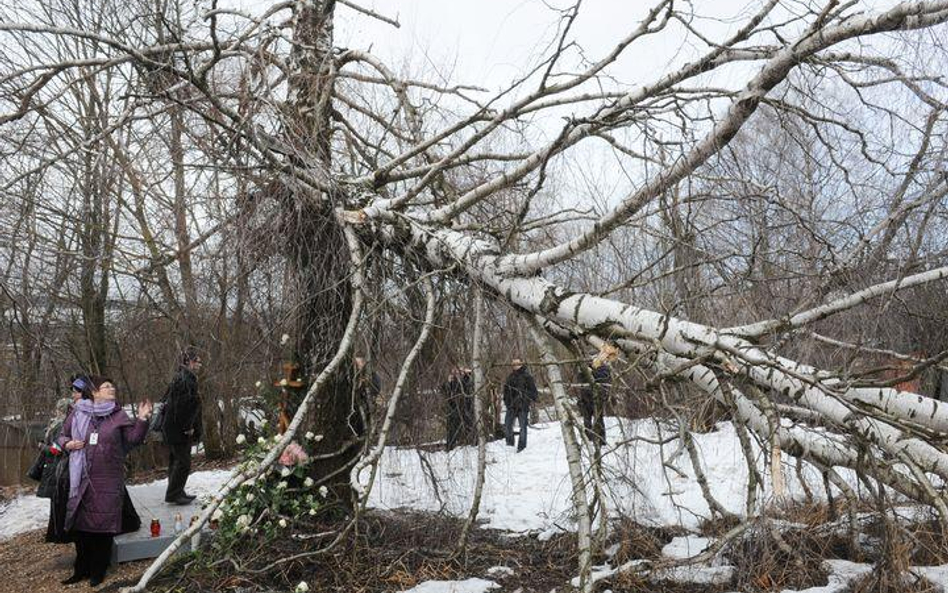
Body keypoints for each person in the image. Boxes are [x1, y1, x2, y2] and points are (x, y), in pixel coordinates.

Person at [58, 376, 152, 587]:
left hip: (107, 479)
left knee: (102, 527)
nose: (112, 388)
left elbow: (133, 439)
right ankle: (80, 570)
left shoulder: (118, 415)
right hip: (80, 478)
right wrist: (69, 444)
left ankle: (98, 571)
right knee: (80, 528)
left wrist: (143, 419)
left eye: (113, 385)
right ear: (94, 392)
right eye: (106, 386)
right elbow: (61, 437)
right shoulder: (77, 412)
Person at [161, 348, 203, 505]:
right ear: (190, 362)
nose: (200, 365)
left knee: (176, 461)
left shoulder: (181, 377)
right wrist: (188, 427)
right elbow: (183, 407)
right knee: (183, 462)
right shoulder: (185, 380)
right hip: (178, 429)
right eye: (198, 361)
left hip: (173, 428)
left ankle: (176, 491)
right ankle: (174, 494)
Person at [502, 357, 538, 452]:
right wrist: (507, 402)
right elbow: (505, 392)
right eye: (513, 364)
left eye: (517, 363)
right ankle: (509, 444)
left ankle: (521, 446)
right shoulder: (510, 377)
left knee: (523, 427)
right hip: (511, 406)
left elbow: (534, 393)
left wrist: (525, 399)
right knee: (507, 425)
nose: (515, 366)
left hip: (523, 406)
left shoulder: (527, 377)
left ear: (521, 364)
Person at [576, 355, 612, 448]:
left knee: (598, 419)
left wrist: (592, 373)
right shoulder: (585, 368)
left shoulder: (604, 369)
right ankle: (588, 439)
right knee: (586, 420)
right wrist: (585, 371)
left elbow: (603, 378)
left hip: (597, 398)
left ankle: (601, 440)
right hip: (585, 398)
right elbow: (580, 379)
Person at [442, 365, 474, 450]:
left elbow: (468, 385)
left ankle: (473, 442)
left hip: (464, 408)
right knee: (451, 429)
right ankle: (450, 446)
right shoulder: (452, 382)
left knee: (469, 425)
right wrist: (448, 382)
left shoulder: (464, 381)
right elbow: (445, 391)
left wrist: (467, 375)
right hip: (453, 408)